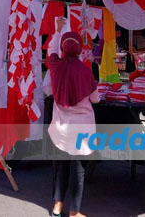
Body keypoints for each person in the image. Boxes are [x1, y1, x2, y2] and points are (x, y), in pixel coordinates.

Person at [46, 17, 99, 217]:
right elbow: (95, 99)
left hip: (61, 129)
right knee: (78, 170)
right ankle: (74, 212)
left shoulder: (55, 66)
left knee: (62, 167)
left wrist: (58, 30)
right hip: (82, 131)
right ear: (78, 49)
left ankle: (57, 207)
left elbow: (51, 49)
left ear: (63, 48)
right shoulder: (86, 72)